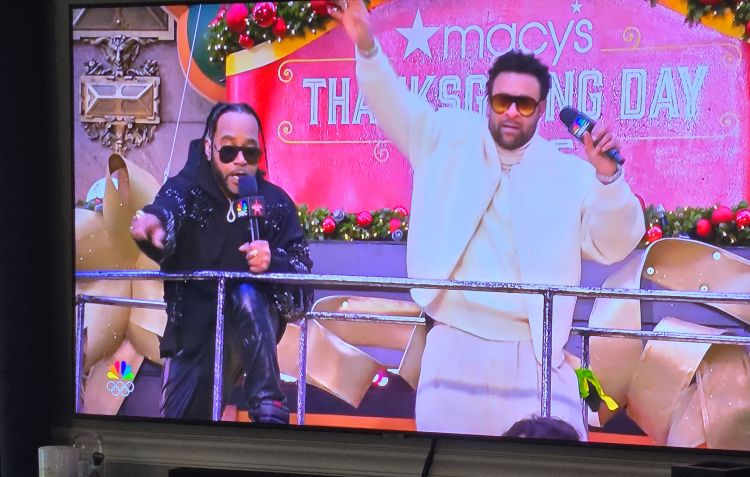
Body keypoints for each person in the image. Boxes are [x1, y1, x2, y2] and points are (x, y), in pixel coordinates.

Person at [328, 0, 645, 440]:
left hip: (536, 354)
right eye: (502, 100)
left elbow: (614, 243)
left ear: (540, 108)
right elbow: (393, 103)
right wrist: (365, 45)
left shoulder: (570, 173)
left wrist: (609, 178)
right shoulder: (445, 139)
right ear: (488, 100)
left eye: (524, 104)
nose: (511, 111)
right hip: (455, 344)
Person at [129, 101, 313, 422]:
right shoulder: (185, 190)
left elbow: (302, 293)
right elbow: (166, 211)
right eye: (229, 152)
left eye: (250, 152)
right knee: (182, 440)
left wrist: (274, 263)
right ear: (209, 147)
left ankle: (268, 404)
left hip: (254, 337)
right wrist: (153, 227)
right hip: (193, 338)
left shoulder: (274, 203)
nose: (240, 161)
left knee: (246, 291)